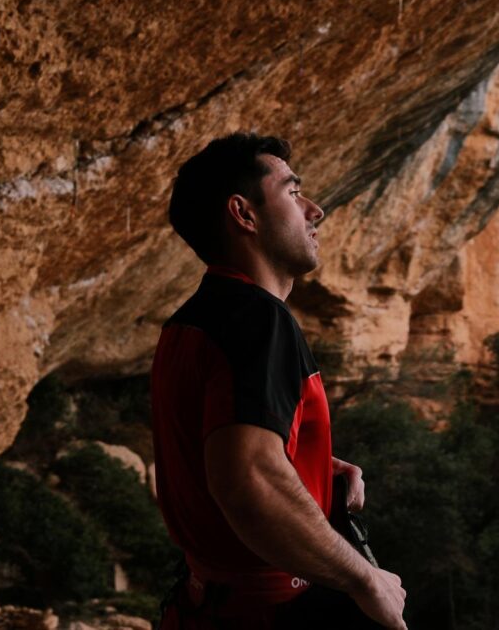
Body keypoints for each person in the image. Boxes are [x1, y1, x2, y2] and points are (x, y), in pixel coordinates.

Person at [151, 132, 407, 629]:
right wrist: (365, 579)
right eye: (293, 192)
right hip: (265, 614)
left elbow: (215, 453)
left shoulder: (190, 321)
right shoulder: (258, 320)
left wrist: (311, 468)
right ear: (243, 214)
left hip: (203, 605)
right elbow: (249, 481)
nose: (315, 210)